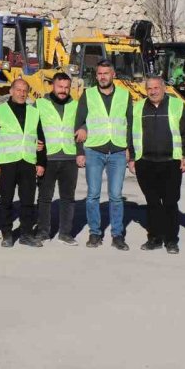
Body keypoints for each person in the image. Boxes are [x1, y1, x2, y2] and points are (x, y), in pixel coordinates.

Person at [128, 75, 185, 254]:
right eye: (149, 88)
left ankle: (171, 240)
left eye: (156, 88)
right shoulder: (138, 107)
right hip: (145, 162)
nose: (153, 91)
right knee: (153, 202)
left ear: (164, 88)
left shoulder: (177, 105)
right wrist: (132, 157)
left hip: (171, 163)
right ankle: (155, 238)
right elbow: (131, 134)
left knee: (171, 202)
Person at [75, 60, 132, 250]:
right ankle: (95, 233)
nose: (102, 77)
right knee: (93, 195)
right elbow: (79, 123)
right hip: (94, 151)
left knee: (116, 195)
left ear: (113, 74)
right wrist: (80, 152)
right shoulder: (88, 95)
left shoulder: (125, 95)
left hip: (117, 151)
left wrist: (130, 150)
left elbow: (130, 125)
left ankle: (117, 235)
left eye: (106, 73)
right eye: (99, 73)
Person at [0, 78, 45, 247]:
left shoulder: (34, 113)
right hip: (7, 163)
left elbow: (40, 139)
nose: (21, 93)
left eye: (24, 90)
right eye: (18, 90)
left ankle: (26, 234)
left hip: (28, 162)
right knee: (6, 201)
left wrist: (40, 163)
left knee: (28, 200)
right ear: (11, 91)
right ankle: (7, 234)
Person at [34, 72, 79, 246]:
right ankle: (43, 231)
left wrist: (83, 128)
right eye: (60, 87)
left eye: (67, 87)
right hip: (48, 157)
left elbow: (83, 123)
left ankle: (65, 233)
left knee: (68, 197)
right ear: (52, 86)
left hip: (69, 156)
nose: (63, 90)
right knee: (45, 197)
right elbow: (32, 127)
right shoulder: (40, 104)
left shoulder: (75, 105)